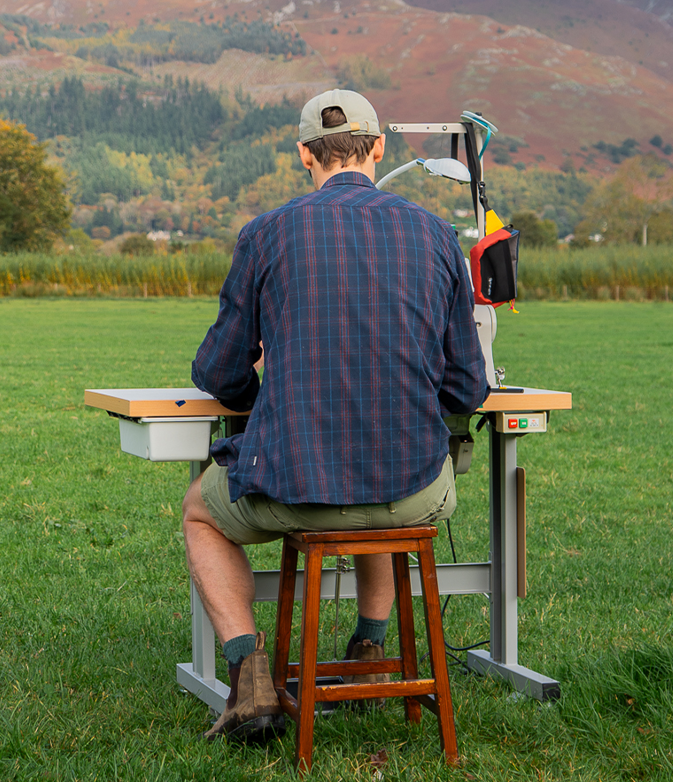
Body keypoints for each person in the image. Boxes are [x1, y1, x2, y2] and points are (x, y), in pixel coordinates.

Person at [184, 89, 489, 742]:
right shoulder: (436, 235)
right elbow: (468, 387)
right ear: (379, 148)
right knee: (386, 472)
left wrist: (263, 380)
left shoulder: (266, 233)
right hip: (410, 491)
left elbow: (218, 374)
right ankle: (370, 657)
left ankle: (248, 675)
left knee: (201, 514)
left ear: (304, 155)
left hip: (296, 487)